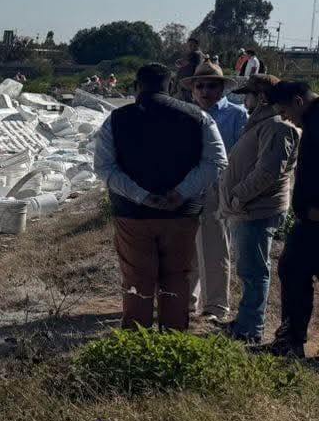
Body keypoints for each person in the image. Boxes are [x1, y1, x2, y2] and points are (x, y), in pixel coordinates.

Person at [92, 63, 227, 330]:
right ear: (172, 87)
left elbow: (104, 167)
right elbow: (216, 161)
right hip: (182, 214)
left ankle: (136, 337)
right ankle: (173, 337)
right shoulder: (199, 117)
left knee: (137, 277)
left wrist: (141, 196)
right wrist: (181, 193)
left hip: (133, 215)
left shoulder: (116, 119)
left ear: (135, 88)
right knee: (176, 276)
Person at [220, 75, 298, 342]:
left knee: (254, 272)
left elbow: (268, 172)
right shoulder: (263, 123)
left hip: (257, 209)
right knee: (249, 270)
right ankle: (245, 321)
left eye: (249, 95)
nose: (245, 100)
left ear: (262, 97)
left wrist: (238, 196)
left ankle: (251, 330)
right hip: (249, 208)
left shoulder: (277, 126)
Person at [188, 62, 248, 323]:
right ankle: (187, 301)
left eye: (211, 86)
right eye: (199, 86)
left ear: (222, 88)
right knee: (187, 248)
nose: (205, 91)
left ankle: (215, 306)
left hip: (218, 188)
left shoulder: (236, 115)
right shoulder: (188, 114)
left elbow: (242, 156)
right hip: (188, 189)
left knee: (214, 248)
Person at [274, 80, 319, 354]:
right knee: (292, 270)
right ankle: (290, 342)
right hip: (309, 220)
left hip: (316, 220)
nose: (286, 118)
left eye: (285, 111)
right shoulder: (312, 121)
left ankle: (291, 342)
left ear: (298, 101)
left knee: (293, 270)